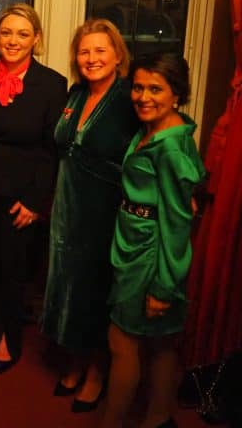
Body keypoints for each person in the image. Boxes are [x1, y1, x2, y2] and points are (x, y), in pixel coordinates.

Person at [0, 3, 67, 373]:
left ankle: (9, 333)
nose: (13, 40)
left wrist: (36, 201)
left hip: (19, 196)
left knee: (12, 268)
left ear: (36, 39)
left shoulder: (52, 84)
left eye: (23, 34)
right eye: (6, 32)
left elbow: (51, 150)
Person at [101, 53, 205, 428]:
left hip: (150, 256)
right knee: (161, 344)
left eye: (156, 89)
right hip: (134, 244)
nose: (143, 97)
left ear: (176, 94)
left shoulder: (171, 146)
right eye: (139, 87)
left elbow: (178, 224)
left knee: (121, 342)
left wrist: (164, 285)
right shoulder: (154, 130)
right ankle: (159, 418)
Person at [41, 19, 139, 412]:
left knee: (97, 293)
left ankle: (96, 371)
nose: (92, 58)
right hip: (66, 212)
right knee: (70, 290)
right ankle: (75, 361)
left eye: (100, 50)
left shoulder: (129, 99)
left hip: (104, 214)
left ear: (118, 55)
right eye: (85, 51)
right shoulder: (76, 94)